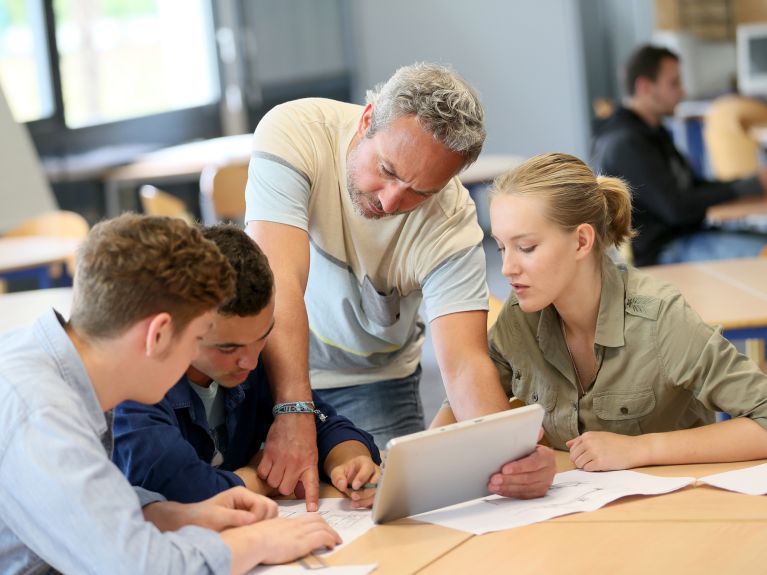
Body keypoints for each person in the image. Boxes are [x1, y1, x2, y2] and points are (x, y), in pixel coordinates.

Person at [246, 62, 554, 502]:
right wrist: (293, 408)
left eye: (419, 192)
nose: (391, 201)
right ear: (368, 118)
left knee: (391, 513)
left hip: (373, 379)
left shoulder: (450, 224)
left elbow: (464, 364)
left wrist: (512, 459)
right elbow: (281, 283)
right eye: (388, 170)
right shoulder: (296, 131)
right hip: (263, 371)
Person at [0, 214, 340, 575]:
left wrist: (169, 515)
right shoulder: (42, 414)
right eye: (196, 339)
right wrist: (257, 542)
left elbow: (74, 504)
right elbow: (137, 568)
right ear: (158, 335)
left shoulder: (54, 368)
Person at [435, 152, 767, 471]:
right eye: (501, 248)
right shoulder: (520, 317)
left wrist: (643, 448)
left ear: (581, 241)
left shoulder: (660, 319)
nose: (507, 268)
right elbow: (461, 404)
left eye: (526, 248)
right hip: (575, 514)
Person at [113, 224, 381, 511]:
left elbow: (316, 419)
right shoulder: (135, 387)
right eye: (228, 348)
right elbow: (179, 490)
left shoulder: (255, 359)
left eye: (264, 335)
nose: (250, 362)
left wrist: (350, 460)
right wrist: (260, 477)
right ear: (176, 327)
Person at [592, 44, 767, 266]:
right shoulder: (626, 143)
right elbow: (677, 208)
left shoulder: (652, 131)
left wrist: (753, 184)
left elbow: (692, 187)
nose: (682, 92)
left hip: (688, 237)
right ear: (645, 87)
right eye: (674, 83)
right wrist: (749, 187)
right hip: (666, 251)